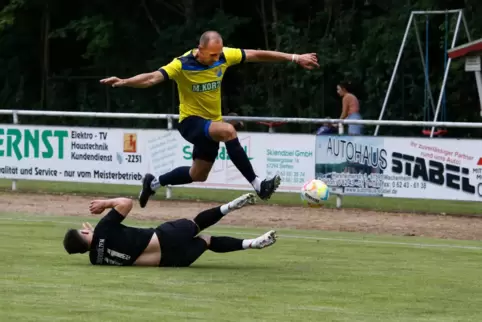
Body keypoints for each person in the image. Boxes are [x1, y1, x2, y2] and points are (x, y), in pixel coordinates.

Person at [100, 30, 319, 208]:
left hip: (211, 124)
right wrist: (125, 81)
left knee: (198, 174)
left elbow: (256, 54)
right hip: (191, 122)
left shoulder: (224, 55)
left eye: (219, 54)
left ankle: (153, 183)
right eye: (212, 55)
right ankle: (258, 184)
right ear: (200, 49)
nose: (217, 58)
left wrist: (294, 57)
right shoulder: (181, 64)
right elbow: (151, 79)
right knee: (228, 131)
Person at [62, 193, 277, 267]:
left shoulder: (95, 259)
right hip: (163, 237)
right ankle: (230, 206)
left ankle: (253, 243)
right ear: (83, 235)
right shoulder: (103, 229)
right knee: (196, 224)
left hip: (171, 261)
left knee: (207, 240)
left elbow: (98, 244)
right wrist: (105, 203)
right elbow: (126, 203)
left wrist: (93, 234)